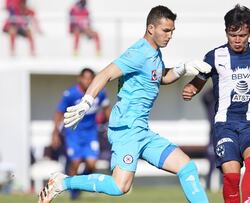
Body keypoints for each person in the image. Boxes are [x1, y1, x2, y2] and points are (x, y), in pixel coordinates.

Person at [38, 5, 211, 203]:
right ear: (151, 28)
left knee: (187, 167)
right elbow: (106, 74)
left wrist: (184, 68)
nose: (170, 36)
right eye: (166, 30)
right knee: (119, 186)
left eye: (172, 31)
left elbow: (160, 77)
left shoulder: (154, 54)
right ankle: (62, 182)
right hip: (126, 129)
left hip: (141, 130)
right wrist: (86, 102)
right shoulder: (138, 53)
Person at [182, 4, 250, 203]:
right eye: (232, 34)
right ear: (226, 32)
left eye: (242, 35)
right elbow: (200, 79)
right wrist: (191, 88)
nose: (237, 40)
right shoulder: (215, 56)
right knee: (232, 177)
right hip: (225, 126)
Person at [50, 67, 111, 200]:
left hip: (91, 133)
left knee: (91, 163)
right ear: (80, 79)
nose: (87, 81)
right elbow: (59, 112)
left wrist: (110, 125)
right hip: (74, 133)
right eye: (85, 78)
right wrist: (54, 133)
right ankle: (72, 191)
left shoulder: (99, 93)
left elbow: (106, 109)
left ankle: (78, 185)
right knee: (75, 162)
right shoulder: (71, 94)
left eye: (90, 78)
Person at [201, 87, 217, 191]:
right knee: (211, 161)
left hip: (224, 132)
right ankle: (208, 185)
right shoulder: (210, 98)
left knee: (226, 161)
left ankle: (224, 185)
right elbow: (204, 97)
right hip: (213, 134)